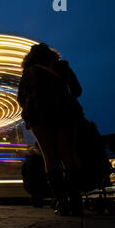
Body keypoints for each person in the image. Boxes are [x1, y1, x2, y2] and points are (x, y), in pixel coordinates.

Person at [18, 43, 84, 216]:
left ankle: (62, 203)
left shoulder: (28, 73)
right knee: (69, 156)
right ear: (52, 55)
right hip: (64, 114)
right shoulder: (63, 67)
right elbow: (77, 90)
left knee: (50, 159)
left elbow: (20, 98)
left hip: (39, 117)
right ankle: (76, 202)